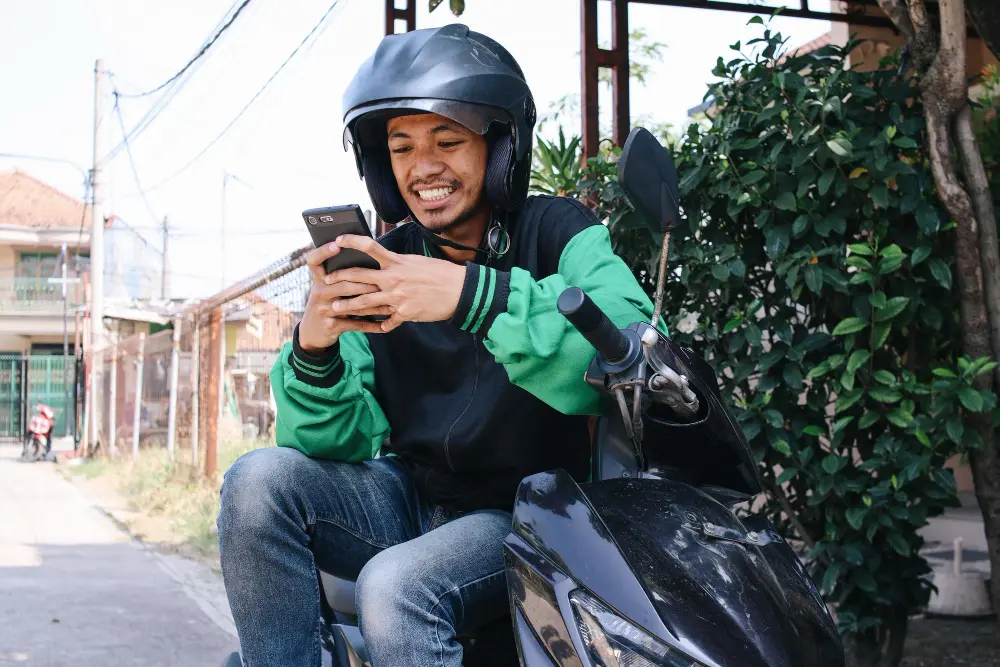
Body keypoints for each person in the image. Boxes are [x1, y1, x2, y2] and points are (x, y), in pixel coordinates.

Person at [218, 24, 659, 667]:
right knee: (256, 480)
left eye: (447, 140)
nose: (423, 168)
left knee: (395, 586)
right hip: (407, 495)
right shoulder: (385, 261)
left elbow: (632, 345)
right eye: (401, 148)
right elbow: (335, 444)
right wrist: (316, 351)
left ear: (500, 146)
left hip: (524, 511)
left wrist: (472, 296)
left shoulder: (560, 230)